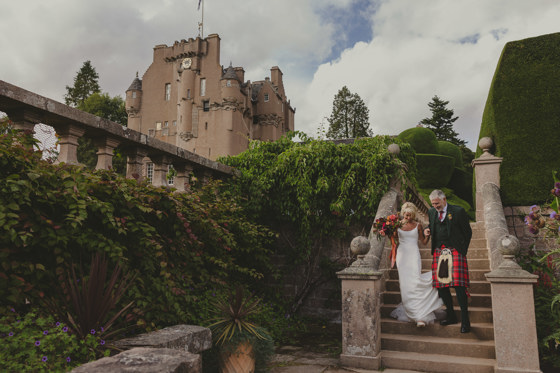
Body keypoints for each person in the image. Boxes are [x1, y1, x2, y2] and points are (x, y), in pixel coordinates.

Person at [424, 189, 472, 333]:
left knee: (459, 286)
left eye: (437, 203)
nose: (435, 206)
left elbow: (467, 232)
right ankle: (451, 315)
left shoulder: (458, 211)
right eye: (433, 204)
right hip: (439, 251)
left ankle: (465, 321)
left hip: (455, 250)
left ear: (444, 200)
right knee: (441, 286)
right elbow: (432, 225)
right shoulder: (432, 212)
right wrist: (427, 229)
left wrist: (462, 250)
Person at [389, 202, 443, 327]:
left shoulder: (418, 225)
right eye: (406, 215)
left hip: (414, 255)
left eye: (410, 216)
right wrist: (388, 232)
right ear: (403, 214)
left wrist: (427, 236)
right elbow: (394, 240)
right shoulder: (396, 225)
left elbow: (423, 242)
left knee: (416, 281)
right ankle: (413, 313)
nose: (408, 218)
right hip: (402, 256)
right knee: (406, 285)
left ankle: (420, 314)